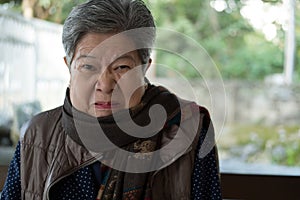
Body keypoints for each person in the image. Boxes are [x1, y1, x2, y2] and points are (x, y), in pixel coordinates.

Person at [0, 0, 222, 199]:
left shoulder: (188, 127)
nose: (105, 86)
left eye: (122, 67)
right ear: (69, 68)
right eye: (88, 66)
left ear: (145, 68)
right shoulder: (37, 134)